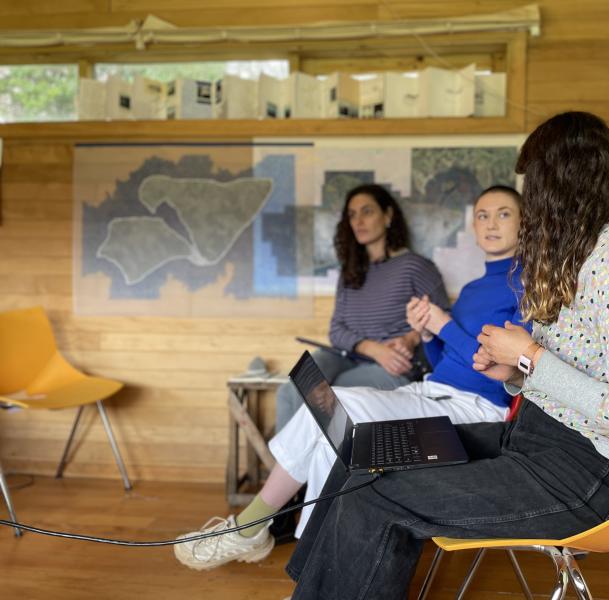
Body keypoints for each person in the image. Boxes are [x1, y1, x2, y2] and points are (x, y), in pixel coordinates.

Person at [281, 112, 609, 600]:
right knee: (364, 456)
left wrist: (532, 356)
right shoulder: (585, 254)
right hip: (536, 442)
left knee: (377, 495)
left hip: (589, 474)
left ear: (563, 182)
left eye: (534, 184)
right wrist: (516, 372)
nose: (531, 200)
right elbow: (574, 377)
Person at [174, 185, 527, 571]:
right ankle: (294, 558)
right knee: (330, 419)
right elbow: (446, 361)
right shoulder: (475, 288)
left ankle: (258, 534)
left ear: (524, 222)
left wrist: (441, 324)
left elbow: (499, 368)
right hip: (434, 392)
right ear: (473, 225)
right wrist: (428, 335)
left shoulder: (526, 284)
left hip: (479, 412)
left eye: (504, 214)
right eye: (482, 215)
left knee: (336, 414)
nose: (491, 223)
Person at [274, 183, 448, 432]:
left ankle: (323, 471)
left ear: (387, 216)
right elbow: (336, 330)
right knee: (289, 392)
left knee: (331, 397)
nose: (359, 221)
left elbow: (443, 318)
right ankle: (290, 471)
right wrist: (373, 348)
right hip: (346, 357)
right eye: (352, 215)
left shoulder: (416, 266)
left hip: (392, 365)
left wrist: (409, 339)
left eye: (367, 211)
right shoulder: (351, 272)